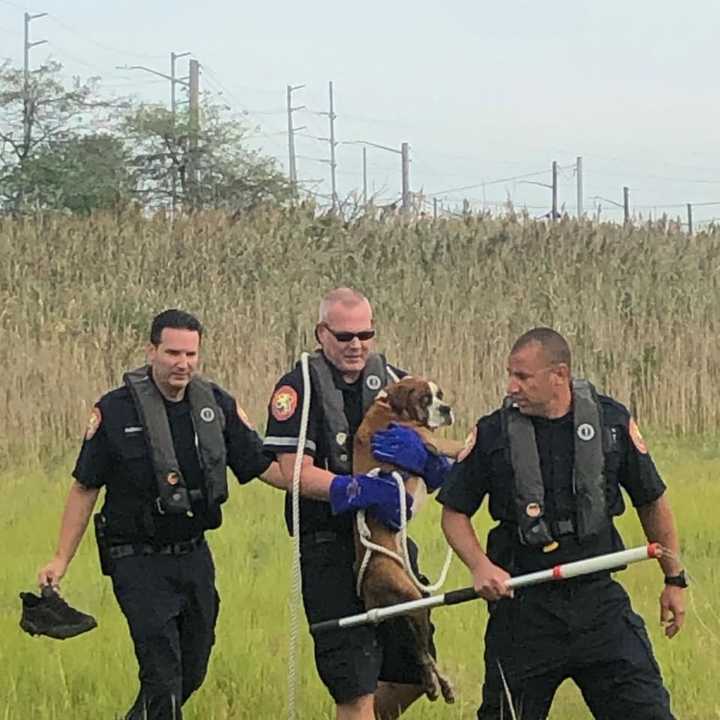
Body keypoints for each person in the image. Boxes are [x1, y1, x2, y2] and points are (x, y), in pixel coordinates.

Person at [37, 309, 287, 720]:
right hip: (136, 559)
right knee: (163, 676)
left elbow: (265, 468)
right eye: (172, 352)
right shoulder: (115, 412)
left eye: (191, 354)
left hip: (193, 556)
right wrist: (60, 560)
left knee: (193, 668)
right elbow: (84, 487)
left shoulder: (216, 405)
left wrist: (336, 488)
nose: (182, 363)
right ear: (151, 350)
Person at [438, 327, 685, 720]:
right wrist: (480, 565)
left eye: (523, 376)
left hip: (597, 604)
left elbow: (652, 501)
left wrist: (674, 578)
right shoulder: (492, 433)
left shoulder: (610, 423)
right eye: (510, 375)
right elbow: (453, 513)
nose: (511, 386)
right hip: (523, 608)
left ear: (559, 375)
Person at [263, 287, 451, 720]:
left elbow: (435, 451)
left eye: (365, 334)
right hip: (329, 546)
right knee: (355, 685)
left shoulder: (399, 384)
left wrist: (430, 464)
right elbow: (290, 470)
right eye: (345, 335)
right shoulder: (299, 388)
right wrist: (354, 489)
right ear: (321, 333)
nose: (356, 345)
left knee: (412, 672)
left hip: (391, 539)